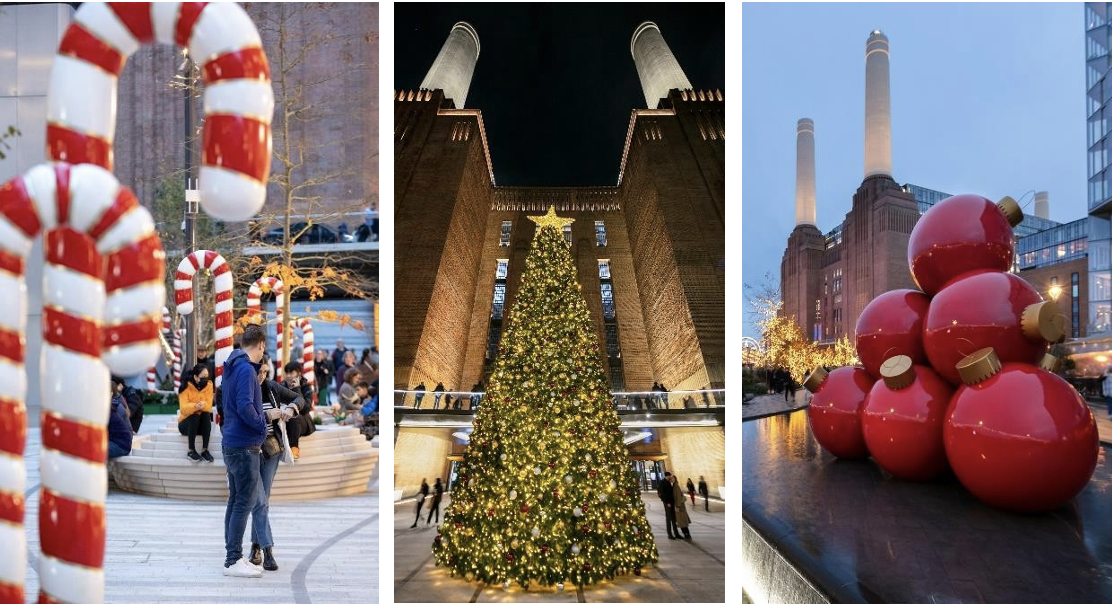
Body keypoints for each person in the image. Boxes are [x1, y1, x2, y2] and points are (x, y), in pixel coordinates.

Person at [220, 324, 269, 578]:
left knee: (236, 500)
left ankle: (233, 556)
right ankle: (233, 559)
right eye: (264, 348)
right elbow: (244, 406)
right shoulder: (244, 369)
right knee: (243, 502)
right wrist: (261, 425)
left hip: (233, 441)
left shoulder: (233, 366)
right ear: (260, 345)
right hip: (243, 444)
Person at [248, 354, 301, 571]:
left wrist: (290, 409)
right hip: (249, 450)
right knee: (259, 500)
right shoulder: (241, 389)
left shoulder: (272, 387)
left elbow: (300, 399)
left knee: (262, 500)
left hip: (271, 450)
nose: (261, 376)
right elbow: (236, 415)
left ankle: (255, 547)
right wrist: (267, 415)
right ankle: (267, 549)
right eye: (258, 372)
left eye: (264, 372)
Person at [178, 363, 215, 462]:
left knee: (206, 415)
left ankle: (205, 450)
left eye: (207, 377)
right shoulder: (185, 387)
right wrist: (195, 406)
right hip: (185, 424)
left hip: (199, 426)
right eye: (203, 377)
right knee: (195, 416)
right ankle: (191, 450)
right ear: (195, 377)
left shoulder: (209, 386)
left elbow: (209, 407)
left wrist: (203, 405)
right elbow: (183, 409)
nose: (205, 379)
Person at [107, 378, 133, 460]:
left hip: (122, 444)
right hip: (118, 440)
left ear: (111, 393)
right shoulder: (112, 405)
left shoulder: (115, 407)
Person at [657, 471, 680, 540]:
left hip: (672, 503)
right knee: (669, 519)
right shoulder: (662, 483)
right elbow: (661, 494)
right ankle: (670, 534)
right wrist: (667, 502)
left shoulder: (669, 483)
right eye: (670, 476)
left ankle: (676, 534)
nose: (671, 477)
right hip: (668, 504)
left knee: (674, 519)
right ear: (668, 476)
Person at [670, 474, 692, 540]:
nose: (671, 479)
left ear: (675, 479)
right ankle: (686, 534)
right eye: (671, 479)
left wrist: (678, 506)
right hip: (678, 506)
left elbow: (678, 497)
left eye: (672, 478)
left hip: (679, 507)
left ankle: (687, 535)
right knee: (681, 522)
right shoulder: (674, 486)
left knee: (682, 522)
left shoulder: (676, 486)